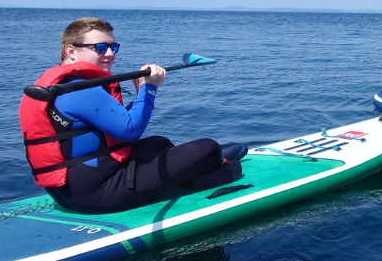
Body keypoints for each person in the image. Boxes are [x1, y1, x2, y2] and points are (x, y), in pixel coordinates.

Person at [18, 17, 246, 214]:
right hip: (96, 193)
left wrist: (140, 93)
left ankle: (201, 167)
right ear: (71, 50)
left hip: (69, 190)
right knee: (206, 146)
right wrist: (149, 88)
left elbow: (104, 129)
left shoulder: (61, 84)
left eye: (113, 47)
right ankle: (214, 169)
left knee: (159, 143)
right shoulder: (81, 89)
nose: (109, 54)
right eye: (99, 48)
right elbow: (130, 130)